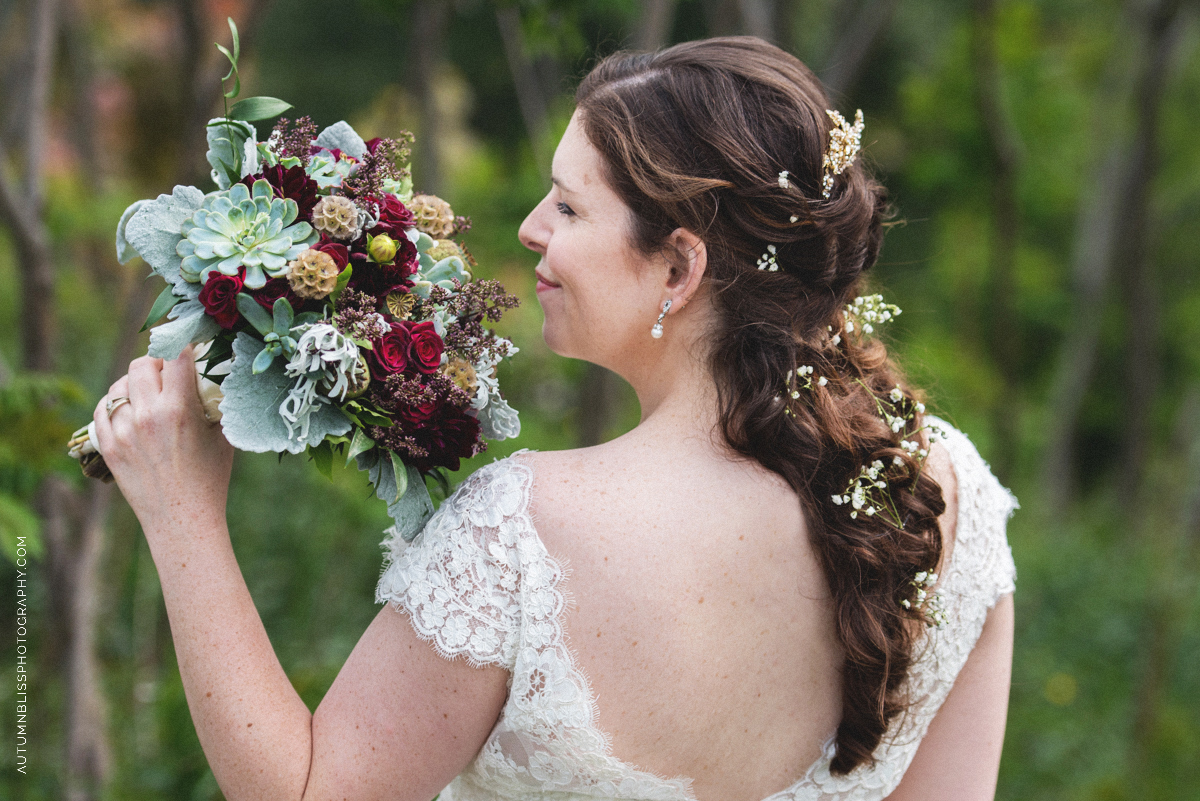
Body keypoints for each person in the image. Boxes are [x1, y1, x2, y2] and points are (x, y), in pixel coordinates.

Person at [94, 36, 1016, 801]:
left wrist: (183, 511)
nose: (532, 227)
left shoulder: (526, 532)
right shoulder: (947, 493)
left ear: (678, 270)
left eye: (570, 206)